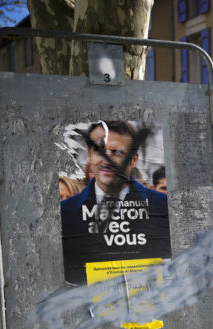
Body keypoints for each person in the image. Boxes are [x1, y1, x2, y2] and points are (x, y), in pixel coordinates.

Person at [60, 120, 171, 285]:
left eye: (117, 152)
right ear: (90, 155)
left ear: (133, 160)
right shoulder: (65, 213)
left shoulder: (164, 207)